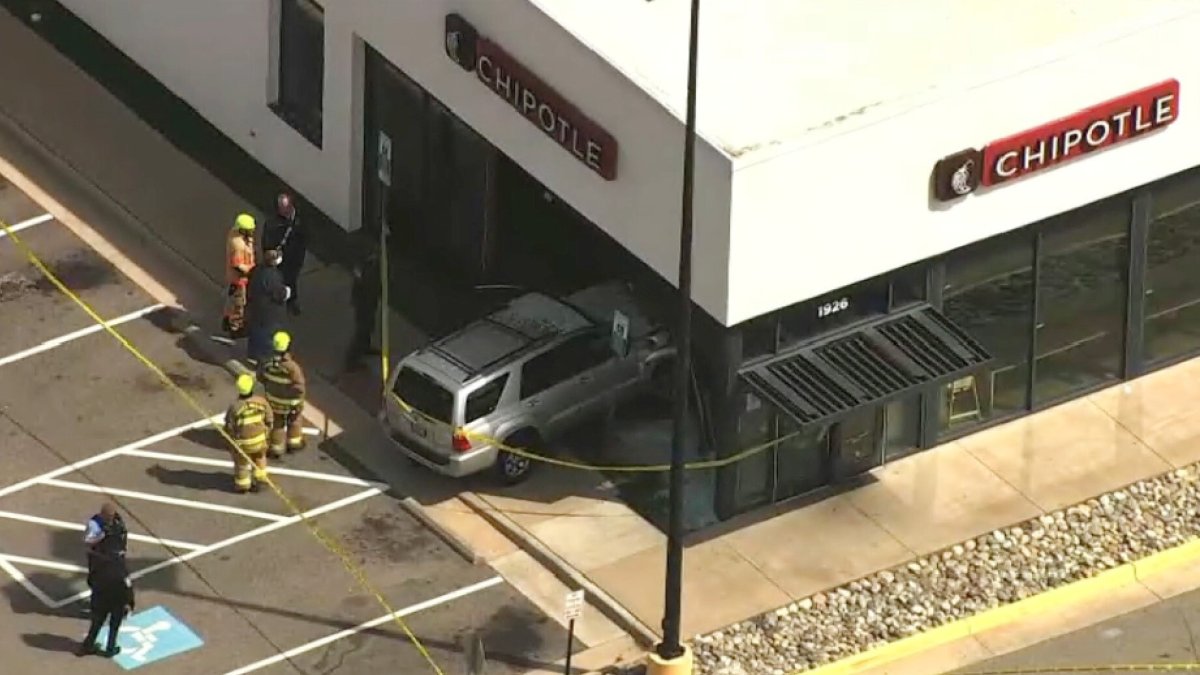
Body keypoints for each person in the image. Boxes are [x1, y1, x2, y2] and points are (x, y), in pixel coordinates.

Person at [76, 550, 135, 658]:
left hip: (100, 600)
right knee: (114, 626)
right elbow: (128, 588)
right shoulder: (121, 571)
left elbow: (90, 581)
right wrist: (130, 602)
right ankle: (110, 649)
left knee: (96, 624)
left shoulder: (98, 568)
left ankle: (87, 646)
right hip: (117, 602)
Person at [258, 331, 307, 458]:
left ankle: (276, 447)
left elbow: (261, 377)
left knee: (277, 423)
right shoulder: (292, 367)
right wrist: (300, 399)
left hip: (274, 400)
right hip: (291, 402)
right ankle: (294, 442)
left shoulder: (266, 363)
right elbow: (299, 385)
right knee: (295, 420)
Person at [224, 373, 273, 493]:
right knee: (260, 458)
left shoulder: (235, 407)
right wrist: (266, 433)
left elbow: (229, 426)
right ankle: (260, 479)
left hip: (243, 443)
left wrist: (230, 438)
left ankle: (243, 485)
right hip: (260, 440)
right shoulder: (262, 402)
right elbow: (269, 420)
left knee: (241, 463)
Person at [261, 193, 307, 315]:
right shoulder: (273, 223)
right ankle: (276, 303)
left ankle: (291, 301)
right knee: (276, 281)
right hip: (278, 259)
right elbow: (267, 242)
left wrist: (300, 258)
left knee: (291, 280)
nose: (286, 212)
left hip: (294, 259)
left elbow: (303, 239)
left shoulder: (298, 220)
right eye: (283, 209)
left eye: (287, 209)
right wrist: (270, 256)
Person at [245, 248, 290, 365]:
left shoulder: (257, 269)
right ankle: (263, 359)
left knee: (255, 331)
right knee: (266, 335)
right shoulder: (272, 276)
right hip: (268, 313)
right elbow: (279, 293)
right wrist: (287, 291)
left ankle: (252, 354)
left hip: (256, 307)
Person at [344, 243, 382, 370]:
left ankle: (365, 347)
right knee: (362, 330)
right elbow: (360, 284)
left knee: (369, 326)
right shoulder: (364, 267)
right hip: (363, 303)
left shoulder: (374, 265)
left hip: (370, 300)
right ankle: (351, 360)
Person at [222, 213, 257, 339]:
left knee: (231, 301)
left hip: (235, 278)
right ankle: (235, 328)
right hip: (239, 280)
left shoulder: (235, 234)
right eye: (250, 230)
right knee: (239, 304)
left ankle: (227, 320)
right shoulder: (238, 245)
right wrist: (252, 271)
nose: (253, 231)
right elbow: (238, 265)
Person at [84, 502, 127, 584]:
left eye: (112, 515)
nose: (111, 518)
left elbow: (122, 532)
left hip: (115, 556)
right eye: (109, 516)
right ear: (103, 514)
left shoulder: (117, 520)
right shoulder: (95, 524)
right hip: (100, 557)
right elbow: (88, 541)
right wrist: (101, 537)